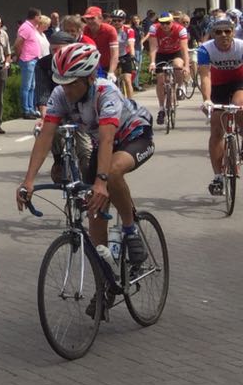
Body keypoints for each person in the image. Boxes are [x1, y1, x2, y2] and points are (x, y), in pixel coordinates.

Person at [16, 43, 154, 268]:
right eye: (62, 83)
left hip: (134, 134)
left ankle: (130, 229)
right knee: (94, 209)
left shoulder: (106, 91)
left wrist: (101, 183)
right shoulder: (60, 94)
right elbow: (45, 137)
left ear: (89, 78)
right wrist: (28, 181)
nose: (66, 90)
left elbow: (108, 138)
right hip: (104, 142)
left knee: (111, 172)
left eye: (72, 84)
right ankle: (105, 281)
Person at [197, 15, 243, 196]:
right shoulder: (205, 49)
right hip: (217, 87)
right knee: (216, 130)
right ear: (212, 34)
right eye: (218, 32)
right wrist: (207, 99)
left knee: (239, 104)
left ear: (233, 32)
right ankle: (218, 176)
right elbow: (205, 76)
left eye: (227, 31)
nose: (223, 35)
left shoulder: (241, 46)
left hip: (239, 82)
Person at [145, 12, 191, 122]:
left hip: (176, 52)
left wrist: (187, 66)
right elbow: (153, 47)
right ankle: (161, 108)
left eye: (167, 23)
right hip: (161, 54)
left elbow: (184, 49)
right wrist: (152, 62)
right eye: (162, 23)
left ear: (172, 22)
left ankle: (180, 86)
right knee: (160, 79)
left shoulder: (180, 29)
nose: (165, 25)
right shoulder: (154, 28)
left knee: (177, 65)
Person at [15, 9, 48, 118]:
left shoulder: (32, 28)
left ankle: (31, 108)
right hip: (27, 59)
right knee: (26, 86)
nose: (40, 19)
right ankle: (26, 110)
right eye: (39, 17)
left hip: (34, 59)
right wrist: (19, 55)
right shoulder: (25, 27)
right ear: (35, 17)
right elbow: (18, 42)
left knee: (32, 86)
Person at [81, 6, 119, 81]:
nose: (89, 21)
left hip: (107, 65)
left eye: (92, 18)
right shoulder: (84, 30)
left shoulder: (110, 30)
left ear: (100, 18)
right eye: (87, 19)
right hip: (91, 65)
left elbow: (114, 54)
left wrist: (111, 72)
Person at [112, 9, 139, 98]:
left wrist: (132, 55)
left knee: (127, 80)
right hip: (112, 56)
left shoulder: (128, 30)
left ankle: (131, 103)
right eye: (114, 20)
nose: (116, 22)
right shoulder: (109, 29)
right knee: (112, 79)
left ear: (123, 20)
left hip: (125, 55)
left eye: (119, 20)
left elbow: (131, 44)